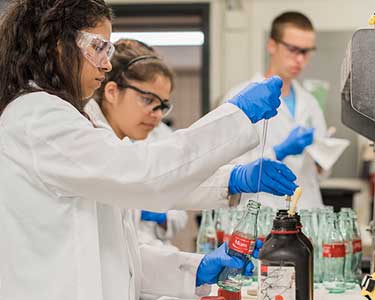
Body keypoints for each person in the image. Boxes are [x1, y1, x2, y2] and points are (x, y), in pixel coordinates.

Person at [0, 1, 297, 300]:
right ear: (57, 46)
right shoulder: (36, 117)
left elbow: (114, 253)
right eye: (98, 47)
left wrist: (197, 269)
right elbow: (145, 175)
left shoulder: (67, 120)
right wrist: (236, 115)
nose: (106, 64)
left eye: (109, 50)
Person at [224, 11, 328, 209]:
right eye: (293, 49)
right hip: (262, 209)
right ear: (272, 45)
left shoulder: (310, 102)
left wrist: (323, 155)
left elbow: (319, 170)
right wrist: (279, 151)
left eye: (306, 52)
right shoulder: (241, 96)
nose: (300, 59)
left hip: (307, 208)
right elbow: (228, 167)